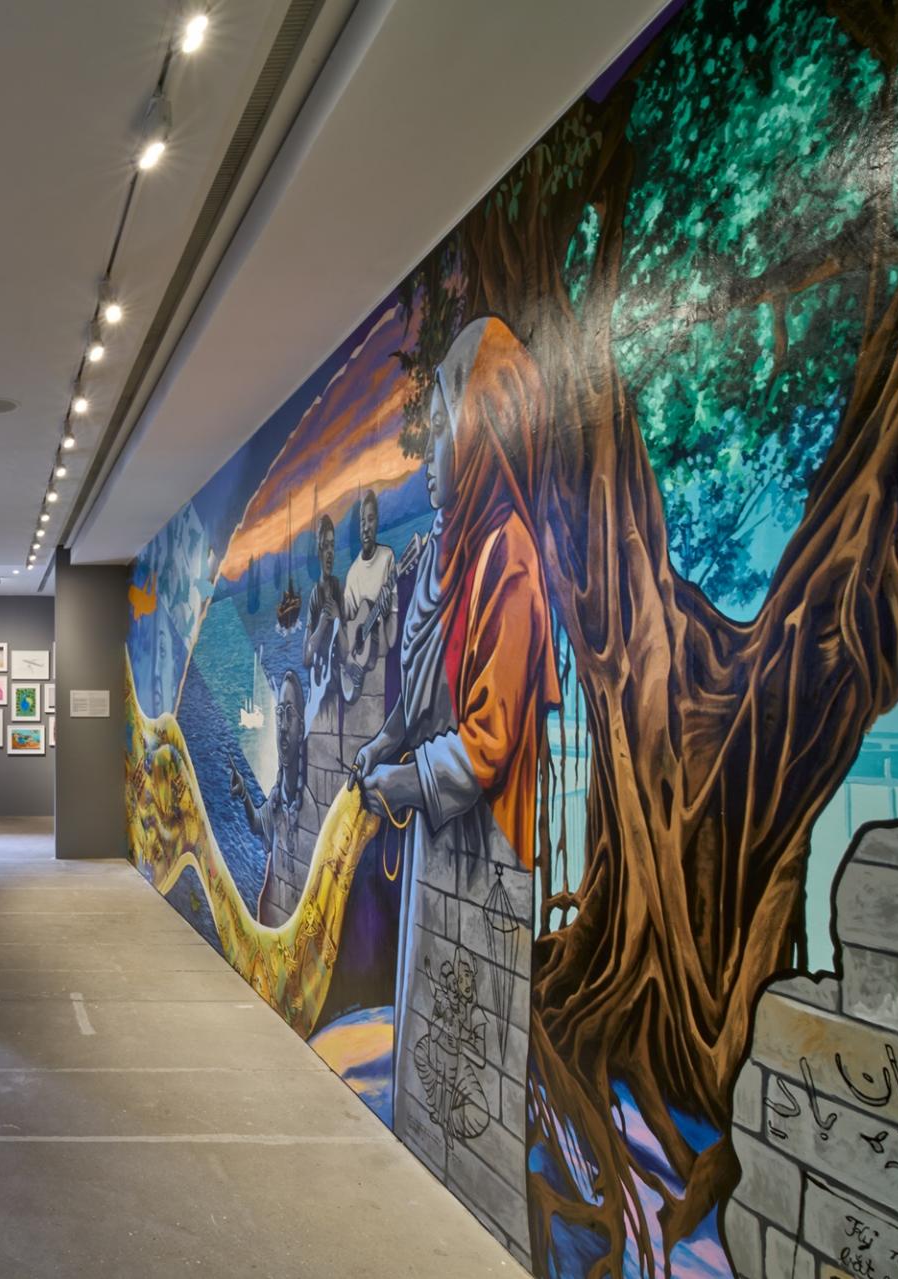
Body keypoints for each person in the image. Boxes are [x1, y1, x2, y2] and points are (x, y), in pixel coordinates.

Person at [349, 315, 560, 1147]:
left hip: (486, 854)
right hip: (439, 845)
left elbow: (487, 741)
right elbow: (422, 687)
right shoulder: (445, 549)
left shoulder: (509, 556)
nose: (427, 452)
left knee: (468, 1067)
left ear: (479, 437)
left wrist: (405, 783)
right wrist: (386, 741)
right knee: (427, 1035)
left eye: (440, 430)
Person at [231, 670, 306, 925]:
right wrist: (244, 793)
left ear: (301, 729)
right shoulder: (277, 798)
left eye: (289, 715)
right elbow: (257, 823)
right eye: (279, 714)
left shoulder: (310, 806)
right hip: (270, 925)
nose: (283, 727)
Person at [336, 489, 398, 703]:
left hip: (382, 659)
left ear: (377, 522)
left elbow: (393, 632)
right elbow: (348, 627)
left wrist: (388, 611)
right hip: (361, 666)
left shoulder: (387, 557)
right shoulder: (353, 574)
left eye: (370, 520)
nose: (365, 527)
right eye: (362, 521)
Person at [302, 513, 345, 714]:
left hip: (339, 688)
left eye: (332, 546)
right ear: (319, 552)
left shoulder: (338, 589)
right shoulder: (314, 596)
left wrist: (337, 619)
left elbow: (346, 652)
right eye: (325, 546)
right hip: (320, 692)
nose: (329, 553)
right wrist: (321, 625)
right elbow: (306, 657)